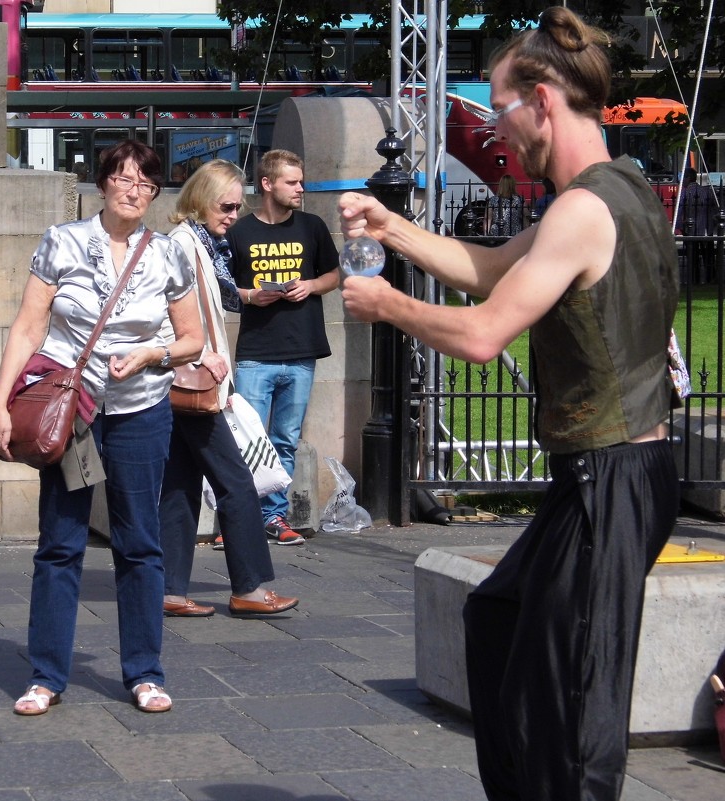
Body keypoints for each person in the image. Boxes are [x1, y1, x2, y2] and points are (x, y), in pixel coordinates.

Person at [338, 7, 679, 801]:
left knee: (572, 710)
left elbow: (485, 331)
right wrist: (394, 228)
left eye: (499, 110)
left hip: (613, 476)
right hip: (601, 479)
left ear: (543, 100)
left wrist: (388, 306)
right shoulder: (616, 188)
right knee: (495, 623)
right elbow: (492, 267)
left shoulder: (582, 209)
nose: (498, 132)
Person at [0, 141, 204, 716]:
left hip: (142, 409)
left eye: (146, 183)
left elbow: (192, 339)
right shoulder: (64, 241)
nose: (134, 190)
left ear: (156, 194)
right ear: (102, 182)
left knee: (139, 542)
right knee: (60, 541)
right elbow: (29, 328)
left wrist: (153, 355)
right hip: (72, 411)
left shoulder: (169, 254)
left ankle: (145, 672)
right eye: (124, 178)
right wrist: (1, 402)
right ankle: (46, 674)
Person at [159, 159, 300, 617]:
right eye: (226, 206)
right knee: (238, 483)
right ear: (201, 199)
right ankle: (250, 587)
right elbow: (166, 312)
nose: (232, 216)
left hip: (191, 382)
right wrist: (201, 356)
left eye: (238, 207)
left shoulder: (202, 243)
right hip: (195, 380)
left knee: (180, 486)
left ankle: (169, 590)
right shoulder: (184, 243)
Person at [226, 149, 339, 545]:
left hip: (302, 350)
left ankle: (273, 516)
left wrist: (310, 285)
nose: (301, 189)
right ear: (268, 184)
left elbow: (334, 273)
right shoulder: (239, 232)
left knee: (285, 440)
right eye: (292, 182)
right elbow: (226, 291)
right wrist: (252, 296)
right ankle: (239, 519)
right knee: (247, 441)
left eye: (301, 181)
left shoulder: (312, 227)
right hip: (256, 353)